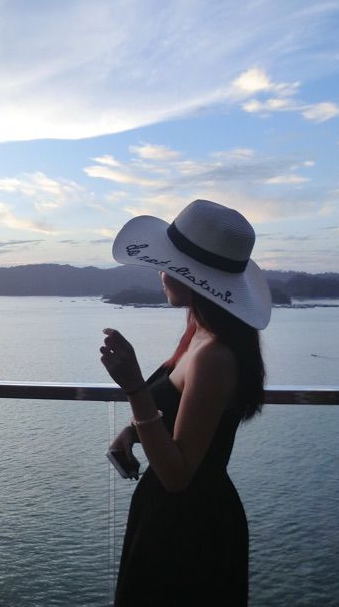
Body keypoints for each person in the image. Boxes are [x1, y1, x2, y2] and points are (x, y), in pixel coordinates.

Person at [100, 199, 271, 606]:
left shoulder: (214, 356)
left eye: (169, 265)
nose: (161, 273)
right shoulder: (200, 332)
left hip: (188, 530)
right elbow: (181, 416)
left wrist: (134, 388)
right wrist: (133, 432)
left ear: (192, 279)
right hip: (180, 515)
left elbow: (178, 475)